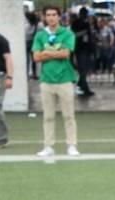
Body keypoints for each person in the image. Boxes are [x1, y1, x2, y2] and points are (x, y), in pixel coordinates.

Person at [32, 5, 79, 157]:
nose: (51, 17)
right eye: (48, 15)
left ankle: (71, 145)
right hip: (46, 80)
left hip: (65, 79)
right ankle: (48, 146)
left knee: (69, 115)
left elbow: (65, 53)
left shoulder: (67, 33)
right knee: (48, 116)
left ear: (59, 17)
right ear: (44, 17)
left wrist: (46, 52)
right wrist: (53, 53)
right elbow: (36, 57)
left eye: (54, 15)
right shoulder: (40, 35)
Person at [0, 30, 11, 149]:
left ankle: (2, 138)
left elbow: (8, 59)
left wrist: (9, 77)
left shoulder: (1, 40)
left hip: (0, 76)